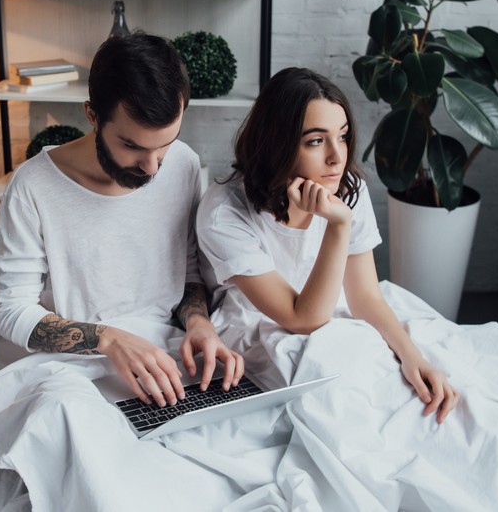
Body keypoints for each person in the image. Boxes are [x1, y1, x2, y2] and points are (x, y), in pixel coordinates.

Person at [0, 32, 243, 407]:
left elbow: (188, 271)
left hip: (169, 355)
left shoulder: (184, 164)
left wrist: (199, 323)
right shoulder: (33, 187)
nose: (152, 166)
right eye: (132, 146)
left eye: (165, 144)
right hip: (76, 367)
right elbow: (12, 311)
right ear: (92, 116)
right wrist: (110, 339)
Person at [196, 66, 458, 422]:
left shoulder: (345, 184)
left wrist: (413, 357)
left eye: (343, 136)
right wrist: (338, 224)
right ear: (278, 143)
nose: (337, 157)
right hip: (262, 325)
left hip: (332, 309)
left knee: (408, 387)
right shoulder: (224, 211)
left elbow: (364, 296)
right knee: (345, 397)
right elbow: (302, 320)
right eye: (316, 141)